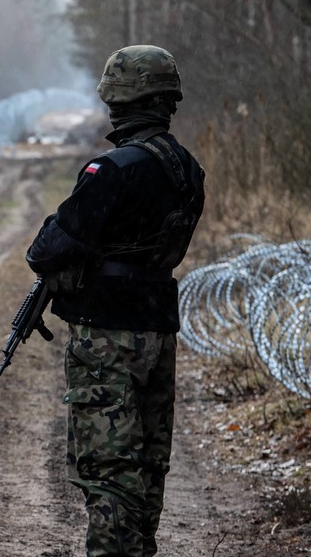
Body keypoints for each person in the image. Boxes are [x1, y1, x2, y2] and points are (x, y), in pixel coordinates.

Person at [25, 45, 206, 557]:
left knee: (108, 474)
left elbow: (46, 250)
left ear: (119, 100)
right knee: (147, 467)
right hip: (158, 329)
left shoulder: (111, 169)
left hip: (107, 335)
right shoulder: (187, 169)